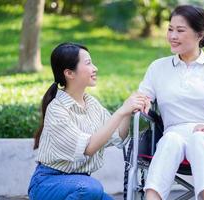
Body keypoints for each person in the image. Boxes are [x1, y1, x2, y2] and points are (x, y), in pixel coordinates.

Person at [138, 5, 204, 200]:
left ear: (200, 34)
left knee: (198, 139)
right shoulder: (158, 68)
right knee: (170, 140)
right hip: (174, 135)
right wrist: (143, 103)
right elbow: (144, 99)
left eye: (180, 30)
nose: (172, 36)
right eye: (170, 29)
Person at [28, 42, 147, 200]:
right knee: (91, 187)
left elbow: (118, 136)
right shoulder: (57, 109)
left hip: (80, 185)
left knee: (92, 190)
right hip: (48, 183)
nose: (95, 68)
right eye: (88, 63)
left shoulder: (91, 104)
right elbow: (88, 148)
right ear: (70, 73)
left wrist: (127, 111)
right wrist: (121, 111)